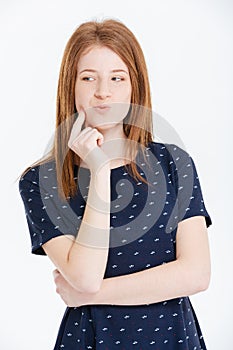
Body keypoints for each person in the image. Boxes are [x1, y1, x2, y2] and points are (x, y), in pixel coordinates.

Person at [19, 18, 212, 350]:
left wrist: (87, 295)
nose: (103, 92)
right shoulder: (40, 181)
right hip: (93, 339)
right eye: (88, 78)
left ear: (134, 86)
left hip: (173, 338)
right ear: (71, 86)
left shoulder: (173, 163)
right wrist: (99, 170)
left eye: (117, 78)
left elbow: (196, 274)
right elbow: (86, 277)